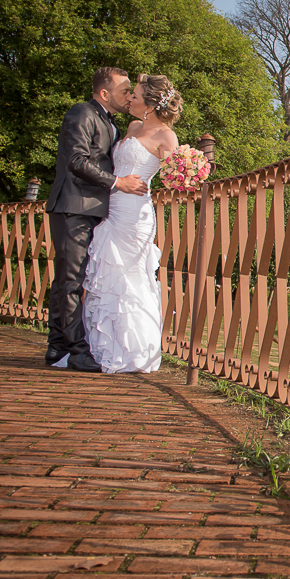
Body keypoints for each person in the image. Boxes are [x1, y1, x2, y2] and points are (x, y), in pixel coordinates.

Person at [45, 67, 148, 372]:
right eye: (123, 91)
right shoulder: (82, 113)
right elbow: (76, 160)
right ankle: (78, 351)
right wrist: (118, 182)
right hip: (73, 206)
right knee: (71, 281)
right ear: (104, 93)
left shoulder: (111, 122)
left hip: (95, 210)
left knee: (67, 280)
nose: (128, 96)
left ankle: (57, 348)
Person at [82, 74, 181, 374]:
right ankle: (104, 347)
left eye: (134, 95)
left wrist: (189, 172)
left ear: (149, 105)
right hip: (112, 208)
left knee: (133, 277)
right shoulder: (133, 127)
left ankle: (135, 351)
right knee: (108, 275)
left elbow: (174, 176)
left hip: (136, 214)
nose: (129, 99)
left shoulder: (166, 136)